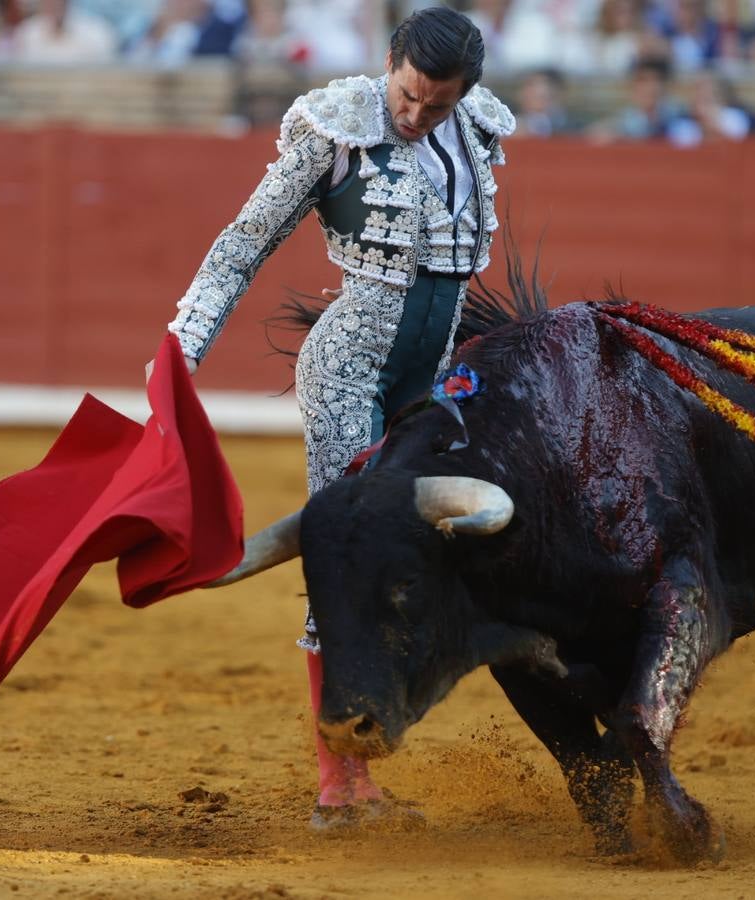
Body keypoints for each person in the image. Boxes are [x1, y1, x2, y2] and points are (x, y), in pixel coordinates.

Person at [152, 6, 515, 830]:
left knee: (425, 561)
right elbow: (243, 243)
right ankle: (338, 782)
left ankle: (373, 744)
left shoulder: (479, 135)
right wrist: (181, 346)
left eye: (437, 104)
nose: (415, 114)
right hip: (346, 374)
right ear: (389, 61)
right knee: (348, 559)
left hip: (428, 387)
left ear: (467, 95)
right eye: (409, 94)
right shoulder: (335, 128)